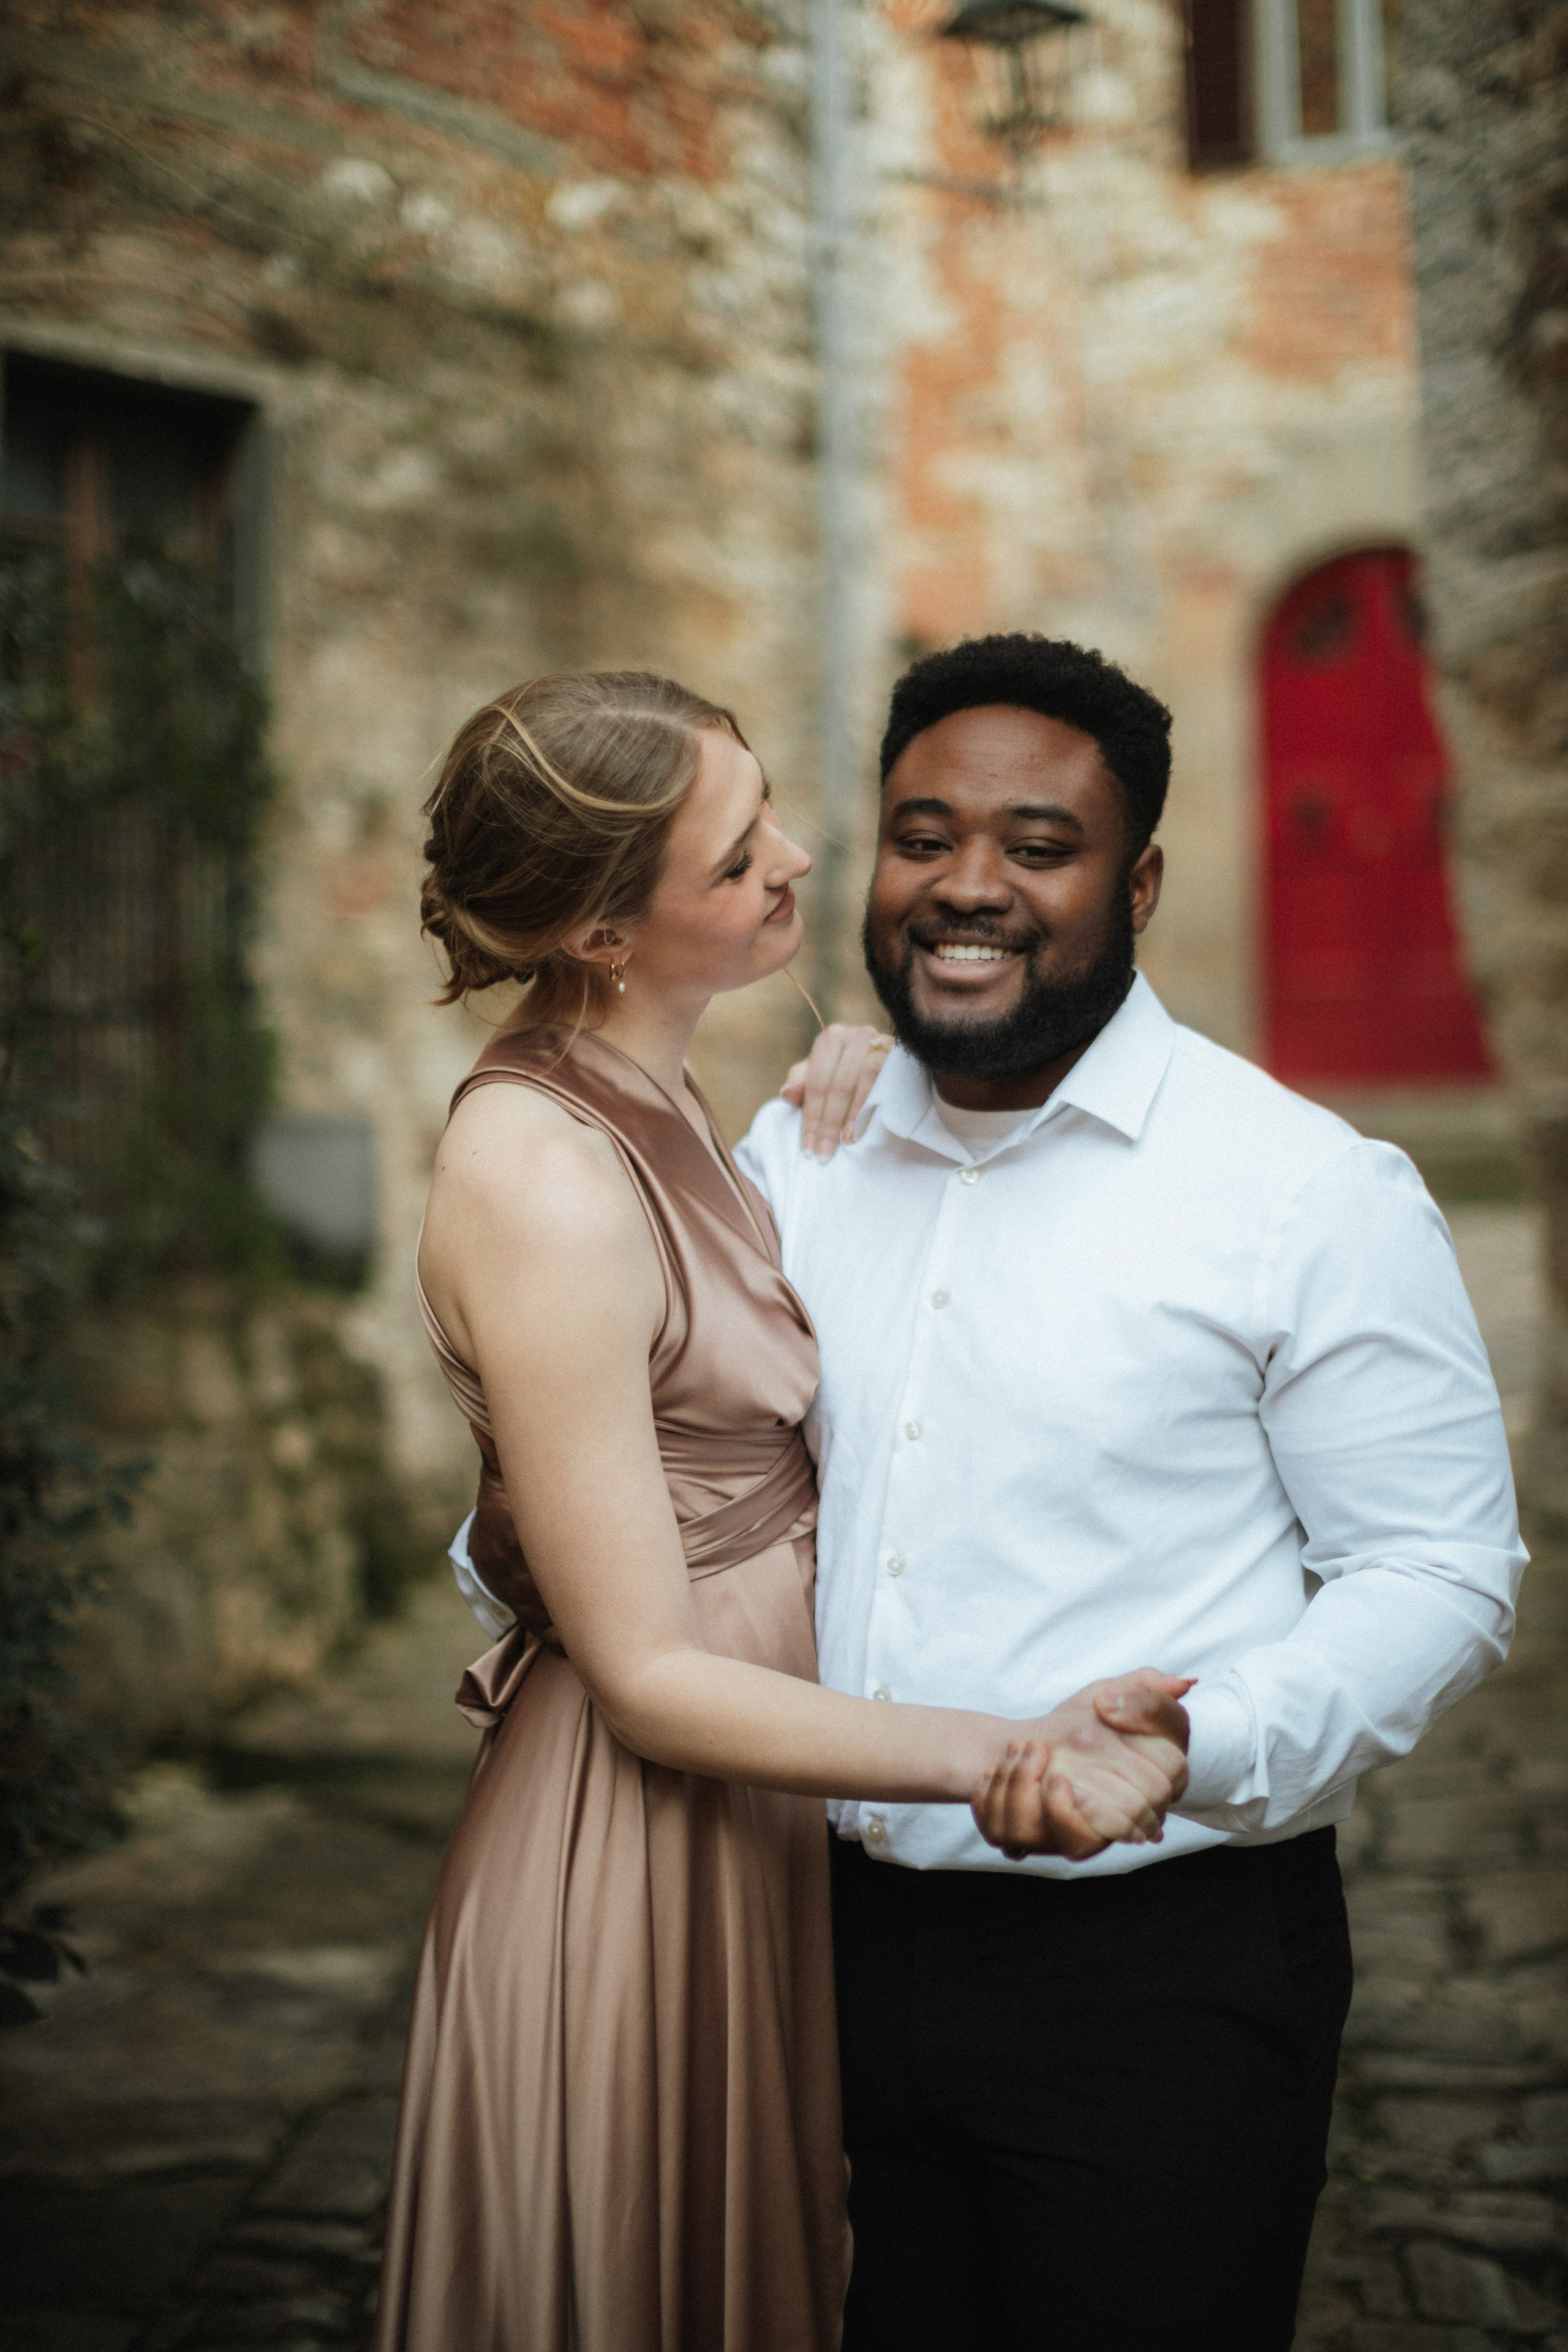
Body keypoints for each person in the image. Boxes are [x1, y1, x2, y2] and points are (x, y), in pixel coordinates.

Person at [372, 669, 1193, 2352]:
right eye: (740, 852)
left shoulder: (675, 1097)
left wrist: (877, 1079)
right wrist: (1007, 1752)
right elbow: (652, 1675)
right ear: (606, 928)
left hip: (759, 1824)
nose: (801, 861)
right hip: (636, 1836)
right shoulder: (534, 1173)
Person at [725, 634, 1528, 2351]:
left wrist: (1196, 1747)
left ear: (1140, 878)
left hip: (1158, 1979)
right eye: (924, 834)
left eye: (1037, 844)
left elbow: (1439, 1568)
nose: (968, 888)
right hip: (807, 1949)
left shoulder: (1304, 1190)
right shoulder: (800, 1152)